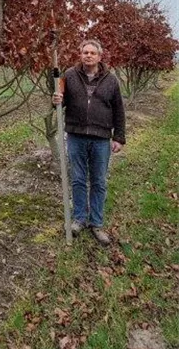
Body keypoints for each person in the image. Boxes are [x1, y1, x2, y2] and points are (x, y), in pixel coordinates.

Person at [52, 39, 125, 246]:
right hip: (76, 135)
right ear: (80, 55)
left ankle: (96, 223)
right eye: (85, 52)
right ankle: (79, 219)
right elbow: (60, 100)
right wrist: (56, 99)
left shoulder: (111, 80)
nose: (89, 55)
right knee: (77, 179)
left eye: (93, 53)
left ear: (100, 57)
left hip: (101, 138)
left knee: (99, 181)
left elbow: (119, 110)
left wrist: (119, 137)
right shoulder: (68, 75)